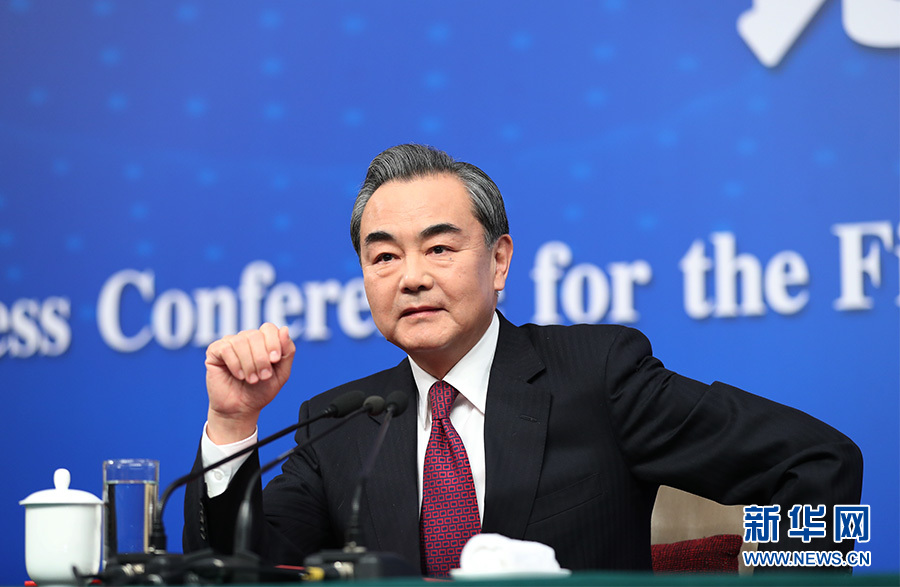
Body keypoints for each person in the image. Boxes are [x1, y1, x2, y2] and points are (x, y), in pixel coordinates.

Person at [183, 144, 862, 575]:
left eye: (439, 248)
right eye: (383, 256)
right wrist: (234, 424)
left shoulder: (598, 375)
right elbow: (237, 571)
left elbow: (819, 461)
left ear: (499, 261)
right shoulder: (340, 424)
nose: (411, 277)